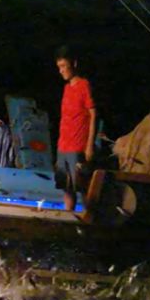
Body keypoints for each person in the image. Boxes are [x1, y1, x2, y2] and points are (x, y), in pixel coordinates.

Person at [54, 46, 97, 212]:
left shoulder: (84, 85)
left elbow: (93, 114)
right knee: (66, 187)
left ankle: (90, 219)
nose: (62, 71)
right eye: (59, 67)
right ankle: (68, 217)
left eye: (64, 66)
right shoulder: (67, 88)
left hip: (78, 146)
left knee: (82, 186)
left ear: (74, 64)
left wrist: (90, 145)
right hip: (63, 145)